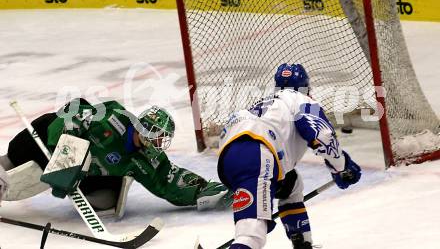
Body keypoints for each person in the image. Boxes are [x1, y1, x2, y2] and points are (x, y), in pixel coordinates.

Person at [0, 98, 232, 215]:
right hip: (46, 137)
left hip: (84, 168)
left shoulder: (146, 158)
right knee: (11, 161)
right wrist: (67, 155)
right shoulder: (114, 118)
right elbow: (74, 109)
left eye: (163, 139)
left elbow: (167, 180)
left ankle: (75, 184)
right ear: (145, 129)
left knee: (108, 201)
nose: (160, 144)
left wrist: (202, 191)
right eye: (158, 137)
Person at [217, 63, 362, 249]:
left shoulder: (267, 103)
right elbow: (323, 137)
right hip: (257, 158)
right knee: (252, 237)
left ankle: (303, 244)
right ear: (305, 86)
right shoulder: (300, 99)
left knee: (291, 184)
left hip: (230, 160)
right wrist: (342, 167)